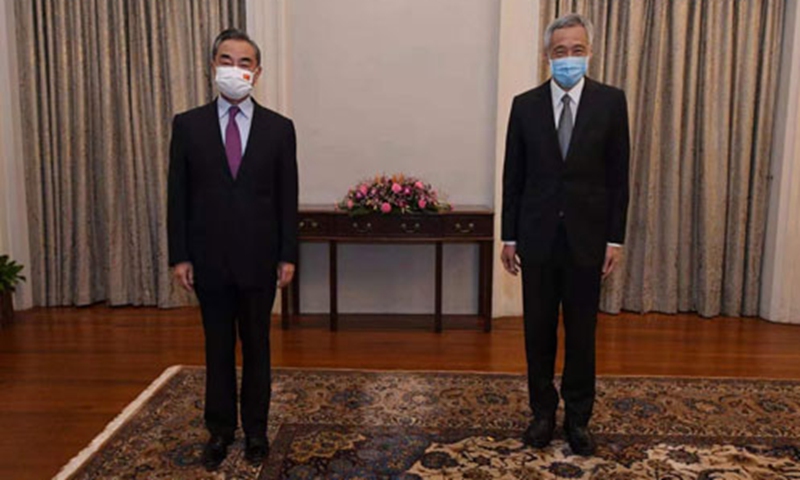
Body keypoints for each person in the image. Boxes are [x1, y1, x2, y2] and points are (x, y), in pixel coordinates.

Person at [167, 28, 298, 470]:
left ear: (257, 72)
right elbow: (177, 195)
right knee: (217, 348)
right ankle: (220, 430)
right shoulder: (188, 126)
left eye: (244, 63)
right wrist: (179, 255)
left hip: (260, 260)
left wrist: (288, 254)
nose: (235, 69)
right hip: (208, 260)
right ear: (212, 67)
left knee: (257, 346)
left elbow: (286, 197)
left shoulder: (280, 129)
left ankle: (257, 431)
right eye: (226, 60)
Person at [500, 13, 630, 456]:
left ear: (589, 52)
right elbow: (512, 176)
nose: (568, 58)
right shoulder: (525, 105)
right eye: (560, 51)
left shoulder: (611, 104)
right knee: (537, 331)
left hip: (587, 240)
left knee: (581, 333)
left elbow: (619, 178)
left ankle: (578, 417)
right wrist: (509, 236)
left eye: (576, 50)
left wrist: (615, 238)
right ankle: (541, 413)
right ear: (547, 56)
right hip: (536, 238)